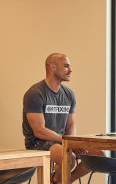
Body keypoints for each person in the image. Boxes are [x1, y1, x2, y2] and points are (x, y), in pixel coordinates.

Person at [22, 53, 104, 184]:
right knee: (68, 157)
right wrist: (67, 141)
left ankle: (57, 181)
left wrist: (72, 142)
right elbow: (39, 131)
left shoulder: (69, 94)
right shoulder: (35, 93)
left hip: (61, 141)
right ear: (53, 67)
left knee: (98, 155)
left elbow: (70, 125)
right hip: (37, 141)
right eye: (66, 66)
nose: (70, 70)